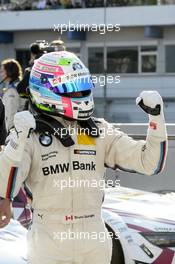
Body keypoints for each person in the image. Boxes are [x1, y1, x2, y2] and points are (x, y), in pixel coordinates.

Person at [0, 51, 167, 264]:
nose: (79, 93)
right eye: (71, 87)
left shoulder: (100, 131)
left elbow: (150, 163)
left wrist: (156, 120)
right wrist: (15, 143)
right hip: (49, 242)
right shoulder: (29, 135)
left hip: (94, 240)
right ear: (45, 90)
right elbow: (4, 189)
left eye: (82, 85)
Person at [0, 59, 25, 132]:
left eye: (2, 71)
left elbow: (10, 115)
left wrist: (6, 136)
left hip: (13, 131)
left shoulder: (12, 91)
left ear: (9, 72)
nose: (1, 74)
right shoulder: (17, 86)